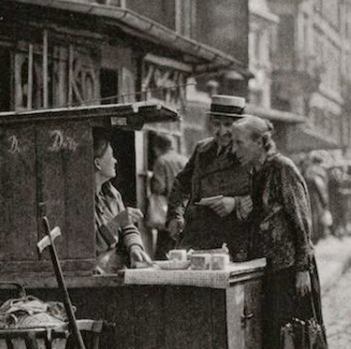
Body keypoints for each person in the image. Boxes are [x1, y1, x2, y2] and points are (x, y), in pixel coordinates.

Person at [230, 115, 330, 349]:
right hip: (272, 267)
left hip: (291, 268)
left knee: (292, 337)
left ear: (260, 142)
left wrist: (302, 268)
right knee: (277, 337)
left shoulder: (282, 168)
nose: (234, 150)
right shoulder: (258, 171)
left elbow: (301, 221)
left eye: (239, 142)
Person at [167, 95, 253, 260]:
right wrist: (175, 215)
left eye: (228, 125)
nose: (221, 131)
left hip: (234, 240)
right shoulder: (202, 150)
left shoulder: (249, 154)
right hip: (197, 235)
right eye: (216, 124)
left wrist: (235, 203)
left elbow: (265, 195)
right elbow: (181, 183)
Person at [93, 132, 151, 274]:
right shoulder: (80, 201)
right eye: (111, 156)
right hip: (98, 272)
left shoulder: (113, 195)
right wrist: (116, 222)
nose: (115, 161)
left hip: (116, 267)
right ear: (97, 163)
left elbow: (128, 228)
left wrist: (134, 247)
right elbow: (92, 246)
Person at [147, 132, 187, 260]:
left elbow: (159, 187)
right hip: (184, 209)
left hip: (167, 211)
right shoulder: (184, 160)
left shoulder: (161, 161)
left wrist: (149, 181)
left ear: (157, 147)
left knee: (163, 252)